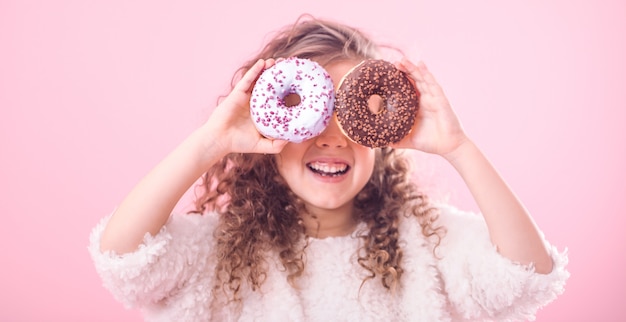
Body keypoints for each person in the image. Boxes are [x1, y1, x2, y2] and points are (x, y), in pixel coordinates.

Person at [88, 15, 569, 321]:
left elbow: (526, 274)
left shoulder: (429, 244)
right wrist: (209, 143)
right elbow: (124, 257)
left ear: (381, 140)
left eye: (352, 116)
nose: (333, 136)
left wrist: (458, 146)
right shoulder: (220, 253)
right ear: (272, 129)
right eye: (313, 115)